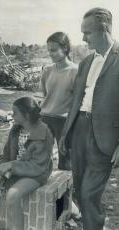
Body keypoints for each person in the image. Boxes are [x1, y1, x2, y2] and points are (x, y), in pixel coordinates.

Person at [59, 8, 119, 230]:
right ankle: (93, 223)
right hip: (79, 130)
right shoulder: (86, 62)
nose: (82, 38)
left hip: (106, 138)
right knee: (79, 190)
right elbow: (76, 101)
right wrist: (65, 134)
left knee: (89, 193)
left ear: (104, 28)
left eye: (87, 32)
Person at [0, 97, 54, 230]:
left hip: (37, 173)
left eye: (15, 113)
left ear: (26, 115)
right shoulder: (16, 129)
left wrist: (11, 167)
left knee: (13, 196)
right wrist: (4, 169)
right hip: (14, 169)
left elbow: (38, 166)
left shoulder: (43, 133)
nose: (11, 115)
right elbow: (6, 153)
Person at [40, 32, 78, 170]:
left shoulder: (75, 71)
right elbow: (46, 95)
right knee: (41, 159)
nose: (50, 54)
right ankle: (43, 190)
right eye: (49, 50)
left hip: (64, 122)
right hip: (45, 119)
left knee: (66, 162)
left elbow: (77, 101)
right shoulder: (47, 70)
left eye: (54, 50)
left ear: (65, 48)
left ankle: (67, 191)